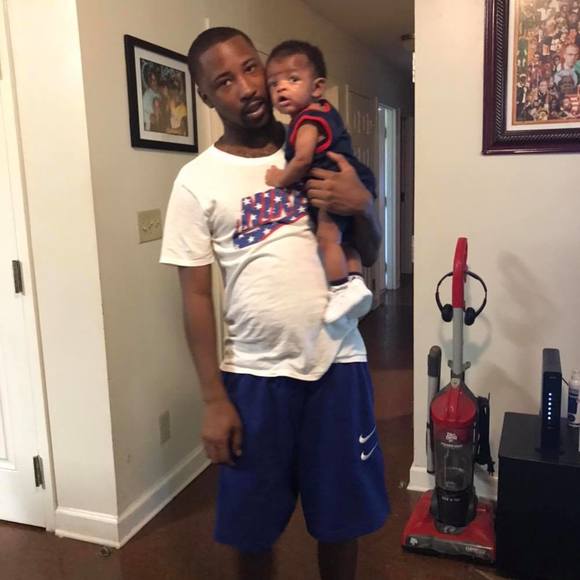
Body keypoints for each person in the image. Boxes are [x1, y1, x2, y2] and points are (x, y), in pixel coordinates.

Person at [160, 27, 389, 580]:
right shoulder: (196, 182)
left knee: (341, 524)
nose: (246, 87)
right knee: (253, 532)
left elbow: (369, 254)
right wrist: (213, 399)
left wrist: (364, 206)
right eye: (224, 81)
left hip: (337, 365)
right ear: (205, 96)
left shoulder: (321, 146)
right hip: (254, 377)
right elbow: (195, 296)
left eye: (250, 67)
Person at [264, 40, 373, 324]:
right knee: (345, 241)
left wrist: (279, 178)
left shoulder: (307, 120)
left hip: (334, 184)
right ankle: (356, 283)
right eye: (274, 84)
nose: (281, 88)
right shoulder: (324, 110)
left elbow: (302, 160)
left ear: (317, 87)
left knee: (327, 239)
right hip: (354, 178)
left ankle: (339, 290)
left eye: (293, 79)